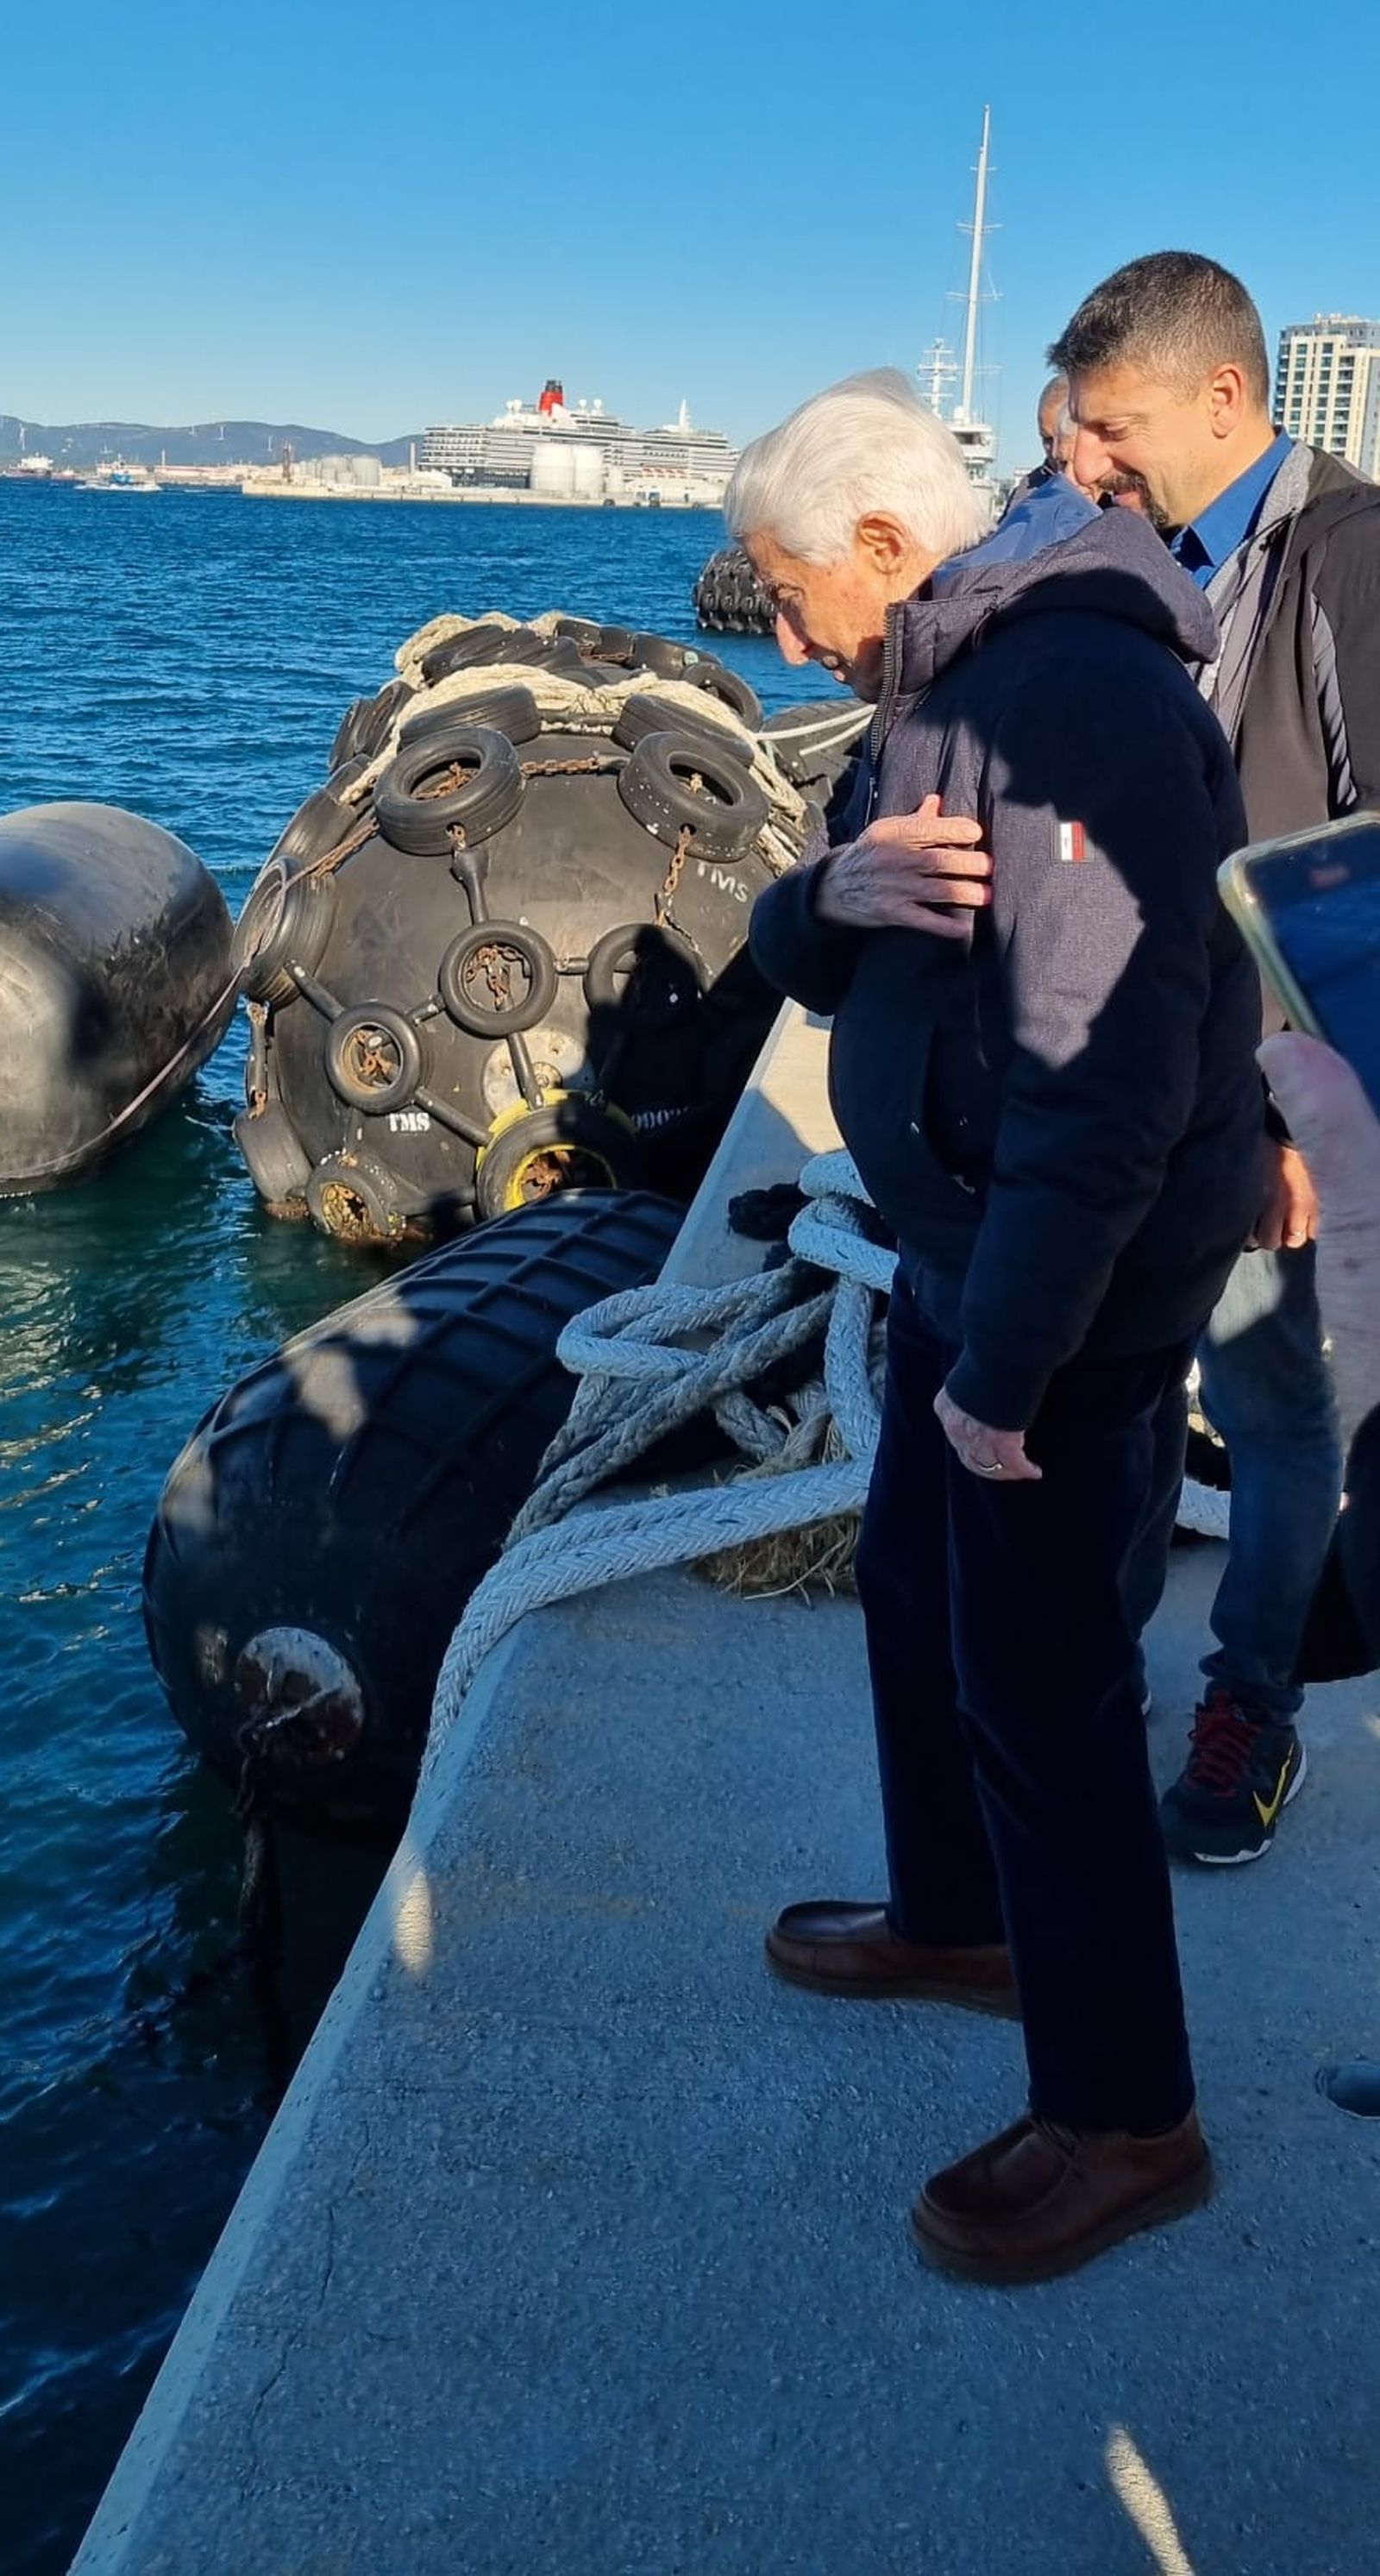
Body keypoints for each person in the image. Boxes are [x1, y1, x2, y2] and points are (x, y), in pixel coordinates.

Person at [731, 368, 1264, 2282]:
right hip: (957, 1247)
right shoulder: (928, 689)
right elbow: (803, 956)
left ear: (887, 545)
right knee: (907, 1592)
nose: (782, 637)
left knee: (1043, 1687)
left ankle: (1130, 2116)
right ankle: (957, 1915)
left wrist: (1007, 1377)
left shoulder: (1077, 697)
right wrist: (827, 887)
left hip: (1070, 1297)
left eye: (793, 595)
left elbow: (1107, 1081)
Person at [1051, 252, 1380, 1865]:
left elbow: (1373, 870)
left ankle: (1253, 1701)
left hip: (1277, 1099)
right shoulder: (1158, 552)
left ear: (1226, 397)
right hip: (1145, 1081)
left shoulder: (1353, 558)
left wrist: (1323, 1120)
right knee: (1108, 1393)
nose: (1093, 457)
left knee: (1270, 1402)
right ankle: (1083, 1688)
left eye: (1118, 426)